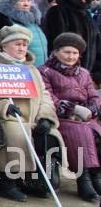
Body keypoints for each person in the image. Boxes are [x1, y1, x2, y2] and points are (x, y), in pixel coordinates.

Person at [0, 25, 63, 201]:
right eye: (17, 44)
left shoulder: (32, 69)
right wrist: (3, 107)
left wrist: (46, 117)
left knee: (50, 135)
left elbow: (45, 96)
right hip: (3, 119)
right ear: (4, 46)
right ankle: (7, 183)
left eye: (25, 45)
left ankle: (35, 181)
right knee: (16, 132)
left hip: (33, 118)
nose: (22, 48)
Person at [38, 32, 101, 201]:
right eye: (67, 52)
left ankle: (96, 175)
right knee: (79, 132)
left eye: (75, 53)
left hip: (86, 117)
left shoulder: (84, 73)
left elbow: (94, 96)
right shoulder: (44, 71)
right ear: (56, 51)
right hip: (62, 117)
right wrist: (73, 109)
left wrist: (91, 109)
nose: (71, 56)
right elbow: (49, 98)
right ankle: (83, 179)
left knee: (96, 132)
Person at [42, 0, 101, 83]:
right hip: (65, 75)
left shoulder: (86, 15)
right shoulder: (57, 12)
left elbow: (96, 45)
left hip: (87, 76)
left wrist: (97, 73)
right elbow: (55, 45)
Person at [0, 0, 48, 66]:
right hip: (24, 69)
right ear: (12, 3)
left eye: (28, 0)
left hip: (41, 69)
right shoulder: (9, 22)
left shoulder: (35, 21)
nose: (26, 4)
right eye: (22, 1)